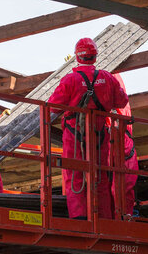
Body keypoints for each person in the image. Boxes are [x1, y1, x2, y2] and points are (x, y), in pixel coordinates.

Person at [48, 38, 128, 219]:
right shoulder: (107, 78)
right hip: (99, 133)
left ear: (77, 56)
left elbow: (53, 106)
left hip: (75, 132)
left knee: (74, 174)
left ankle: (79, 216)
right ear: (95, 56)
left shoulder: (70, 79)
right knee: (100, 175)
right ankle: (104, 217)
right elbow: (122, 101)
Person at [107, 73, 138, 217]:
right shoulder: (110, 77)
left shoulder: (109, 78)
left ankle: (122, 218)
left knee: (119, 189)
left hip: (118, 139)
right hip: (115, 138)